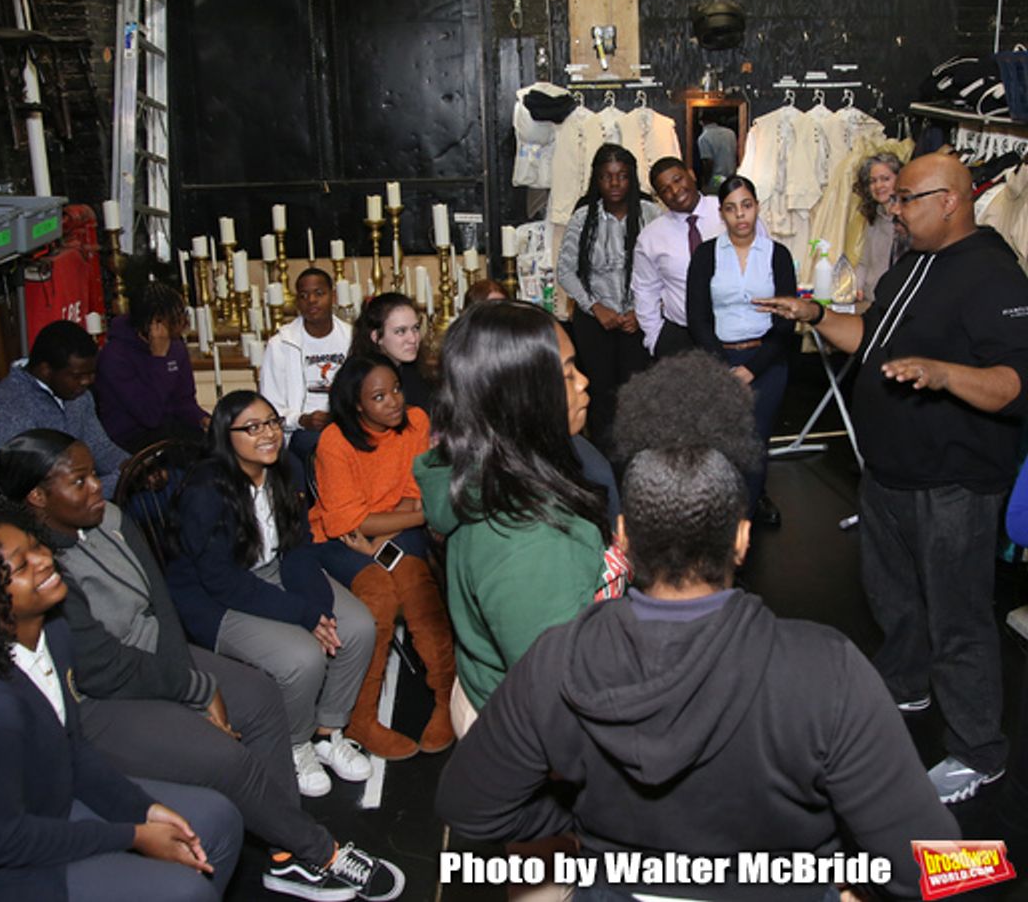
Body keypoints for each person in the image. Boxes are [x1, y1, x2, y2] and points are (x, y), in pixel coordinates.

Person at [436, 355, 960, 901]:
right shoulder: (828, 671)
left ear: (623, 538)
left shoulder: (556, 661)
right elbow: (939, 868)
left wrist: (590, 827)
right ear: (740, 537)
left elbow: (468, 806)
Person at [0, 430, 404, 902]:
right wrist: (194, 689)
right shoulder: (40, 569)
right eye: (80, 481)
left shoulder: (111, 519)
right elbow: (101, 668)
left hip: (162, 657)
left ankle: (284, 856)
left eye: (92, 475)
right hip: (100, 701)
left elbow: (161, 604)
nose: (96, 488)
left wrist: (190, 678)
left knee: (263, 697)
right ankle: (319, 851)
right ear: (38, 496)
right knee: (226, 758)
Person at [755, 152, 1028, 804]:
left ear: (950, 201)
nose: (894, 210)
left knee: (958, 620)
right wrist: (816, 317)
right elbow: (872, 338)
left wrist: (942, 374)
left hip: (954, 485)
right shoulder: (914, 262)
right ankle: (906, 684)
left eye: (906, 199)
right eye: (894, 199)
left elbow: (1014, 385)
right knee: (895, 598)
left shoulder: (995, 277)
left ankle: (978, 752)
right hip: (890, 474)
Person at [0, 503, 242, 901]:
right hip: (21, 865)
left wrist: (143, 810)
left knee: (219, 819)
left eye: (37, 546)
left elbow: (72, 750)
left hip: (59, 800)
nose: (45, 560)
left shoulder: (56, 635)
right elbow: (0, 842)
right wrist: (132, 834)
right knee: (185, 892)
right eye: (20, 566)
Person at [415, 301, 625, 728]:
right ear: (524, 397)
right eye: (567, 374)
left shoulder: (497, 469)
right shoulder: (528, 539)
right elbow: (560, 699)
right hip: (531, 735)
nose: (585, 382)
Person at [166, 391, 376, 797]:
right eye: (252, 427)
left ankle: (328, 731)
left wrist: (314, 609)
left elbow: (297, 547)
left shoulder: (288, 468)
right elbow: (221, 580)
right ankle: (295, 744)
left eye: (273, 422)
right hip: (215, 596)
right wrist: (301, 614)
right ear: (226, 436)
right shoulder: (206, 490)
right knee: (301, 657)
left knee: (359, 626)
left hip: (277, 568)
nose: (268, 435)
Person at [309, 355, 455, 761]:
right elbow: (344, 522)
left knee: (415, 584)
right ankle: (361, 716)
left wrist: (380, 539)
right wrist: (406, 519)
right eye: (378, 396)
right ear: (357, 405)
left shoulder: (416, 422)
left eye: (395, 389)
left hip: (389, 532)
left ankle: (446, 698)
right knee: (378, 596)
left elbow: (415, 494)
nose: (393, 401)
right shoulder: (335, 441)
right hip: (337, 541)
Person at [687, 174, 795, 524]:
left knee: (755, 441)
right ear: (722, 214)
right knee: (720, 443)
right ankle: (720, 515)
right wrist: (725, 367)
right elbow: (697, 317)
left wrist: (752, 370)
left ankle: (744, 522)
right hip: (720, 360)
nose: (741, 215)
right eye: (732, 209)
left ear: (757, 207)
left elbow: (786, 321)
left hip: (767, 360)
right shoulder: (706, 254)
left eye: (746, 206)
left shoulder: (777, 254)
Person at [556, 143, 649, 444]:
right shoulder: (584, 218)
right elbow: (566, 271)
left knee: (638, 399)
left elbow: (666, 271)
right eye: (607, 177)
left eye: (622, 176)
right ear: (597, 180)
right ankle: (603, 469)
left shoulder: (652, 214)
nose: (614, 184)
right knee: (599, 398)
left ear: (632, 178)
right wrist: (595, 307)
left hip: (640, 323)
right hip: (595, 322)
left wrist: (642, 309)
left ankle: (637, 468)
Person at [0, 319, 128, 492]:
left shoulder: (78, 394)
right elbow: (37, 492)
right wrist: (117, 482)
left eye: (92, 373)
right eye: (78, 376)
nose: (87, 382)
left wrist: (136, 469)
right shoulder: (9, 409)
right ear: (45, 370)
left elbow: (100, 448)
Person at [96, 281, 208, 453]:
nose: (182, 323)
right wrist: (159, 360)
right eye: (173, 318)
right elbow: (149, 415)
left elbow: (184, 402)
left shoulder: (176, 347)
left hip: (171, 431)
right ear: (152, 323)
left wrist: (202, 419)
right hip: (131, 440)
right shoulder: (115, 356)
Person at [631, 157, 724, 358]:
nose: (674, 191)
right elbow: (645, 290)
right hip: (682, 338)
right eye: (665, 189)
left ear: (691, 174)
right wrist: (655, 338)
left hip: (733, 332)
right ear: (659, 197)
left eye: (677, 179)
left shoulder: (728, 211)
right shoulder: (651, 237)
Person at [260, 267, 353, 465]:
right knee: (323, 447)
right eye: (304, 295)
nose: (311, 300)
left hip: (347, 425)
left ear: (333, 296)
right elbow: (270, 408)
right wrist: (302, 420)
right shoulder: (281, 344)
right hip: (301, 432)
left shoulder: (352, 339)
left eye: (319, 293)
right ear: (297, 303)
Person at [348, 293, 432, 411]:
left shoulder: (412, 372)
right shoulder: (364, 382)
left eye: (416, 328)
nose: (413, 339)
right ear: (377, 337)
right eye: (400, 331)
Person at [852, 152, 905, 299]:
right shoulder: (875, 216)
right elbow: (864, 262)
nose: (878, 186)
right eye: (873, 181)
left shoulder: (907, 222)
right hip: (872, 300)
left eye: (885, 179)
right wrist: (856, 287)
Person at [696, 110, 737, 192]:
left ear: (701, 121)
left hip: (716, 179)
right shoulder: (730, 133)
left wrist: (705, 183)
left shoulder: (704, 138)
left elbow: (708, 163)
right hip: (732, 177)